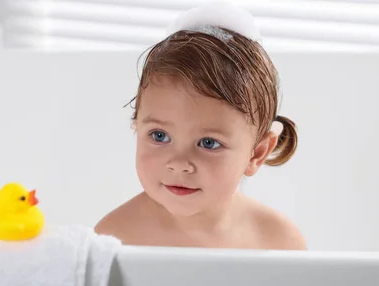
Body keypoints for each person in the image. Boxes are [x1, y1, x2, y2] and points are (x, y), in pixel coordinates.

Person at [95, 2, 306, 250]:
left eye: (209, 143)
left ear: (257, 153)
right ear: (136, 127)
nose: (179, 164)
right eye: (159, 135)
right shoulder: (113, 239)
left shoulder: (277, 242)